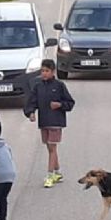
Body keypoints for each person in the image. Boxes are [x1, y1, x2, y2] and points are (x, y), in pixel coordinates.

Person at [23, 59, 75, 188]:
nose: (44, 73)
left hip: (56, 122)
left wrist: (60, 105)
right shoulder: (38, 86)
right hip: (44, 121)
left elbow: (70, 103)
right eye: (42, 71)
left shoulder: (59, 86)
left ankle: (50, 175)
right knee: (49, 148)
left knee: (52, 148)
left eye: (47, 71)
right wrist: (31, 113)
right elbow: (32, 102)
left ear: (53, 72)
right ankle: (57, 172)